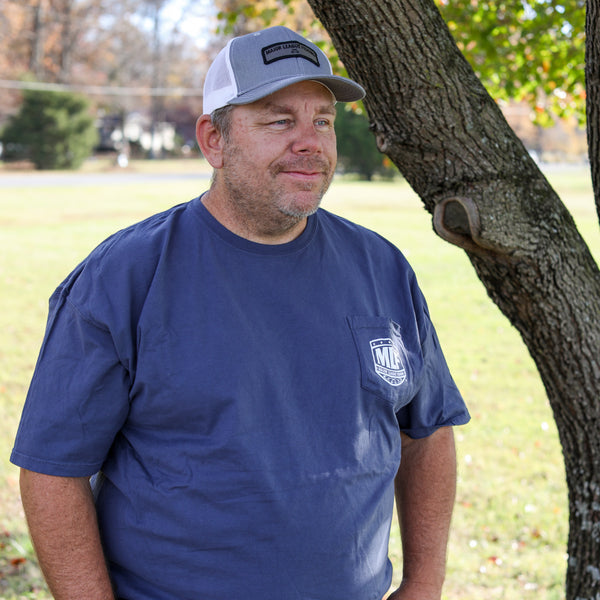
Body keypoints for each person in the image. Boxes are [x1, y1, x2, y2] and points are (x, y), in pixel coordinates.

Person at [11, 26, 470, 600]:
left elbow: (425, 432)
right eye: (279, 121)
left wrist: (424, 582)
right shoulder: (122, 278)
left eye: (322, 120)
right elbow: (53, 471)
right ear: (214, 140)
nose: (310, 142)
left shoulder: (381, 268)